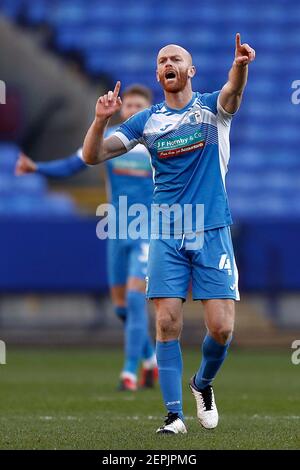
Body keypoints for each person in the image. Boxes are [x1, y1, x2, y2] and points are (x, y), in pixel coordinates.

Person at [82, 33, 255, 434]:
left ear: (190, 70)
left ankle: (202, 384)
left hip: (211, 227)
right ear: (158, 74)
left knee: (222, 328)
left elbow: (233, 92)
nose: (167, 64)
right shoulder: (147, 121)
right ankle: (174, 415)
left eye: (175, 58)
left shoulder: (212, 109)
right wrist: (100, 119)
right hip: (165, 233)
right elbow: (93, 155)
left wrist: (240, 67)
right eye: (161, 61)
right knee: (167, 322)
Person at [15, 84, 158, 392]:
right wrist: (36, 167)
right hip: (117, 233)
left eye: (139, 106)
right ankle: (151, 360)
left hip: (147, 231)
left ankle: (129, 373)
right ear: (122, 109)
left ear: (148, 109)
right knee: (121, 308)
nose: (133, 110)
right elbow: (74, 163)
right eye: (129, 105)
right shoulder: (114, 140)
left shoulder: (158, 143)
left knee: (135, 299)